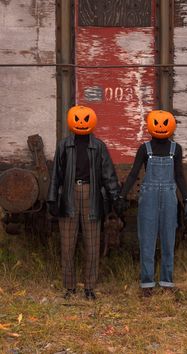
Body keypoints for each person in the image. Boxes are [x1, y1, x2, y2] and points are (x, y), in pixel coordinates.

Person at [47, 105, 120, 300]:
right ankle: (69, 287)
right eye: (77, 119)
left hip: (91, 195)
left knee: (92, 244)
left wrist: (115, 196)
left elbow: (108, 174)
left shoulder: (99, 146)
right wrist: (53, 198)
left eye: (85, 118)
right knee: (67, 244)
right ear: (71, 122)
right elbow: (56, 174)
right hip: (69, 195)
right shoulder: (63, 145)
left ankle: (89, 287)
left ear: (92, 121)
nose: (81, 122)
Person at [117, 110, 187, 297]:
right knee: (147, 241)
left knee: (168, 239)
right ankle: (147, 283)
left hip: (169, 197)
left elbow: (180, 176)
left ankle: (167, 282)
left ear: (171, 126)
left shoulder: (176, 149)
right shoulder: (144, 149)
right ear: (150, 126)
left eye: (164, 123)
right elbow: (134, 173)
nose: (160, 126)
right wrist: (122, 196)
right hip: (148, 198)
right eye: (156, 123)